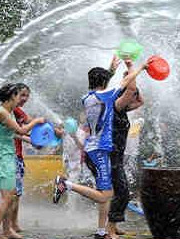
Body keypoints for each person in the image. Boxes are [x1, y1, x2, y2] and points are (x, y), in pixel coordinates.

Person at [52, 57, 147, 239]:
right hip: (100, 150)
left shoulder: (89, 97)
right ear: (104, 83)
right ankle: (66, 184)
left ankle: (102, 231)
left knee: (107, 193)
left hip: (95, 148)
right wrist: (138, 67)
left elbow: (108, 86)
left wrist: (110, 71)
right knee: (105, 195)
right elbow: (127, 84)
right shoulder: (106, 96)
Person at [0, 84, 45, 239]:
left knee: (12, 195)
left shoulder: (8, 112)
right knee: (7, 198)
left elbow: (15, 134)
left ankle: (7, 231)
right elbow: (20, 130)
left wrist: (31, 139)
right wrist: (36, 122)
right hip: (1, 156)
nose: (22, 100)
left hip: (7, 153)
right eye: (20, 96)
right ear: (12, 96)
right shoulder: (1, 113)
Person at [108, 67, 144, 239]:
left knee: (119, 191)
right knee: (122, 191)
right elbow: (129, 92)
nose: (133, 94)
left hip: (117, 156)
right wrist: (132, 70)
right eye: (131, 91)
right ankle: (110, 229)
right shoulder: (116, 105)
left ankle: (113, 226)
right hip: (112, 155)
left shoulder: (123, 109)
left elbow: (140, 101)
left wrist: (134, 85)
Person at [9, 83, 33, 233]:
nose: (25, 98)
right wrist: (31, 140)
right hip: (9, 155)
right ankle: (9, 226)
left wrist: (52, 130)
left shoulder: (18, 111)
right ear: (14, 94)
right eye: (22, 95)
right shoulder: (9, 111)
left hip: (17, 156)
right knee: (12, 194)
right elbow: (11, 133)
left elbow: (30, 124)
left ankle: (14, 223)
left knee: (17, 193)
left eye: (27, 96)